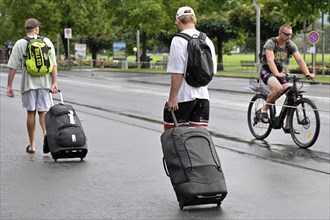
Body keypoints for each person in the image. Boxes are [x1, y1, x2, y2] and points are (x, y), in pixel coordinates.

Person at [7, 18, 58, 153]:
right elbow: (53, 65)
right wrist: (54, 83)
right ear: (36, 29)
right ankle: (46, 134)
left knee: (31, 112)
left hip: (28, 83)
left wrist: (9, 86)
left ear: (26, 29)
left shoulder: (20, 44)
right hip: (44, 82)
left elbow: (12, 67)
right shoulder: (46, 42)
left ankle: (32, 145)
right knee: (43, 112)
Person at [163, 6, 217, 131]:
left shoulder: (178, 40)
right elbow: (211, 71)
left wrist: (172, 98)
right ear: (194, 20)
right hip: (203, 98)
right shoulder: (207, 40)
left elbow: (177, 72)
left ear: (177, 21)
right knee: (197, 139)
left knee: (171, 134)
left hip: (183, 98)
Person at [259, 24, 315, 132]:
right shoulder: (271, 43)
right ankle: (264, 109)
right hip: (267, 71)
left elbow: (299, 59)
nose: (289, 37)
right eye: (286, 34)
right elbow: (270, 60)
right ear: (280, 33)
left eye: (290, 35)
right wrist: (276, 73)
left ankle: (288, 125)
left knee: (292, 93)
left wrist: (307, 73)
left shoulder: (290, 45)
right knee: (278, 89)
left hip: (280, 72)